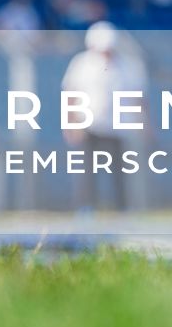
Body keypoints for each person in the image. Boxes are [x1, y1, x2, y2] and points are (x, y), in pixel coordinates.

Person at [60, 22, 143, 212]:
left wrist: (142, 123)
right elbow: (71, 95)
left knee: (120, 170)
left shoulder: (127, 65)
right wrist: (71, 123)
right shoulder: (82, 64)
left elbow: (138, 98)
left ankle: (122, 208)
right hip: (89, 123)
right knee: (87, 170)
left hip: (117, 126)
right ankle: (86, 207)